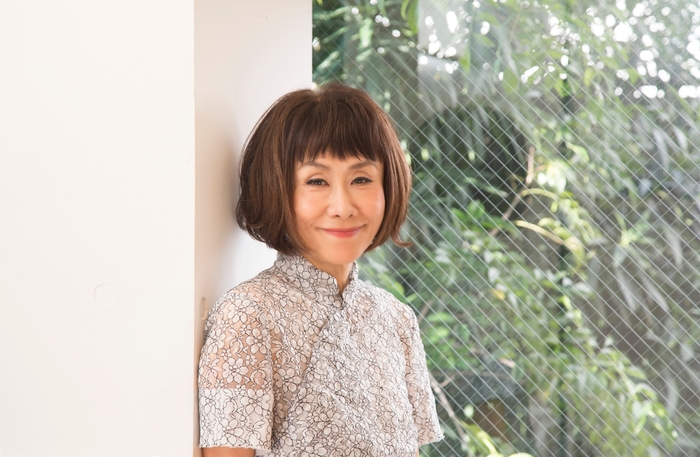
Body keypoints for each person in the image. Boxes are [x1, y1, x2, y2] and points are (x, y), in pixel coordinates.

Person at [198, 83, 443, 457]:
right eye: (317, 181)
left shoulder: (397, 320)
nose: (342, 207)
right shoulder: (248, 316)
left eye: (361, 179)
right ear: (276, 188)